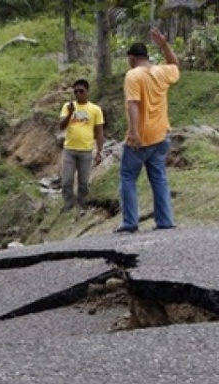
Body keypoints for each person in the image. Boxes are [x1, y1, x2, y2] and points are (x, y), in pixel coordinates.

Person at [115, 28, 180, 233]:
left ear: (132, 59)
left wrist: (133, 133)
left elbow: (133, 104)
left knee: (127, 177)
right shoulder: (162, 71)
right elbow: (175, 65)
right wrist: (164, 45)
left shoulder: (133, 75)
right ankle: (165, 220)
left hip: (141, 138)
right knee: (159, 178)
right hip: (161, 136)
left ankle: (130, 222)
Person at [58, 79, 104, 214]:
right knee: (67, 179)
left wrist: (99, 151)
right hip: (69, 149)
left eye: (81, 91)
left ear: (87, 92)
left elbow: (99, 132)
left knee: (83, 181)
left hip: (86, 150)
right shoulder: (68, 106)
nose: (78, 94)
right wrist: (70, 113)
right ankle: (68, 204)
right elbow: (61, 126)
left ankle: (82, 203)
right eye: (75, 91)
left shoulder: (95, 109)